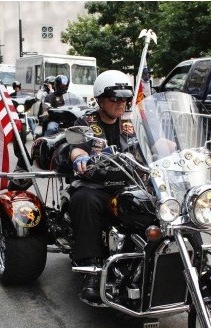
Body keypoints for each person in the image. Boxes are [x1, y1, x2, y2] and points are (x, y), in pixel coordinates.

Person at [69, 70, 139, 304]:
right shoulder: (85, 122)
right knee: (84, 200)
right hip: (96, 185)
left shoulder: (131, 123)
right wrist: (80, 157)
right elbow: (76, 146)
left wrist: (173, 147)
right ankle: (91, 270)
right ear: (100, 100)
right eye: (114, 98)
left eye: (125, 99)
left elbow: (152, 143)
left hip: (127, 184)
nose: (121, 103)